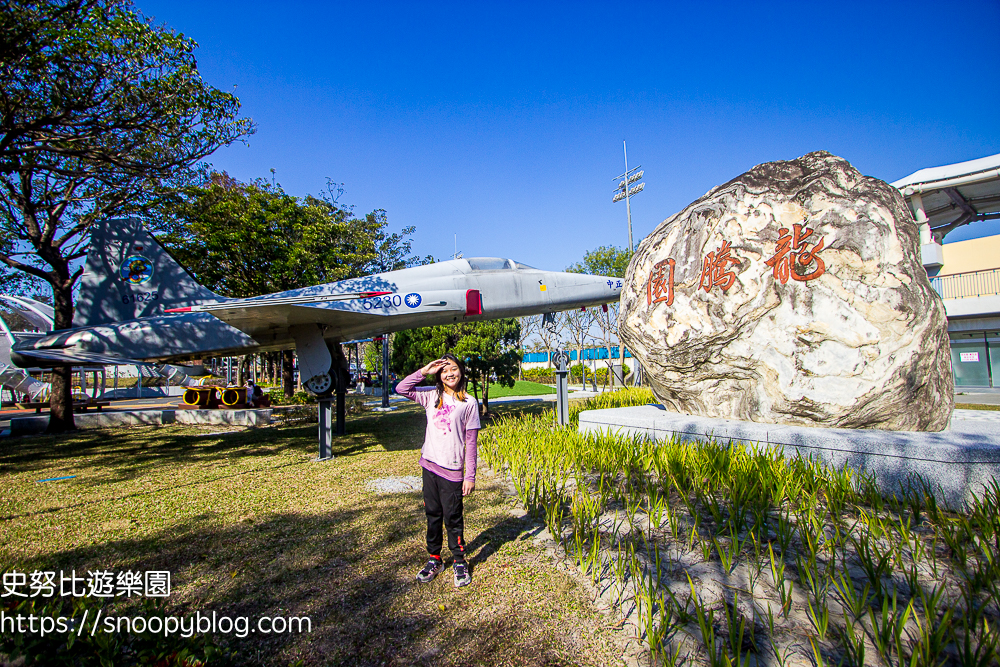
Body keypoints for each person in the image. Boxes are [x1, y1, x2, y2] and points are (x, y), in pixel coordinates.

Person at [396, 354, 480, 587]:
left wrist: (469, 476)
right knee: (432, 515)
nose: (449, 373)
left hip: (452, 471)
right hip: (429, 466)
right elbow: (401, 388)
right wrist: (425, 370)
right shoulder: (431, 396)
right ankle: (435, 559)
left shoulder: (469, 404)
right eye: (444, 370)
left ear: (461, 372)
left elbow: (471, 443)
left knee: (453, 518)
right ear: (438, 375)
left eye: (453, 369)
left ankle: (459, 560)